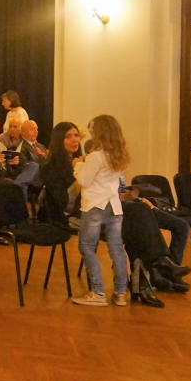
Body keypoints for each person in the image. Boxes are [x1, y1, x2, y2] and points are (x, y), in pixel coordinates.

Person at [73, 115, 130, 307]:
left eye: (93, 131)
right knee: (116, 249)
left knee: (87, 247)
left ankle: (97, 292)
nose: (91, 135)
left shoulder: (96, 156)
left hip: (95, 205)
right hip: (114, 205)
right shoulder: (120, 154)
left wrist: (78, 165)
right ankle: (121, 294)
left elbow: (84, 181)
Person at [39, 122, 84, 228]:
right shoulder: (50, 166)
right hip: (63, 217)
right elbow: (64, 203)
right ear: (58, 140)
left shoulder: (80, 161)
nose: (74, 140)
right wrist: (81, 174)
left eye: (76, 135)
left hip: (84, 211)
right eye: (67, 137)